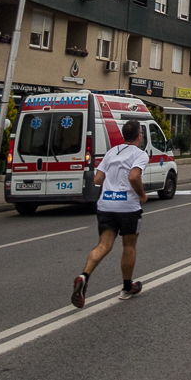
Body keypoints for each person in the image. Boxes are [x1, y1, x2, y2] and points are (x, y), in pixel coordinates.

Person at [71, 121, 149, 308]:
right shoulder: (140, 155)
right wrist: (142, 194)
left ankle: (84, 276)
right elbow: (134, 176)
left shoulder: (111, 152)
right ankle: (126, 287)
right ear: (139, 135)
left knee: (104, 245)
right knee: (129, 246)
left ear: (124, 135)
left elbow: (98, 179)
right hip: (128, 207)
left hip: (106, 205)